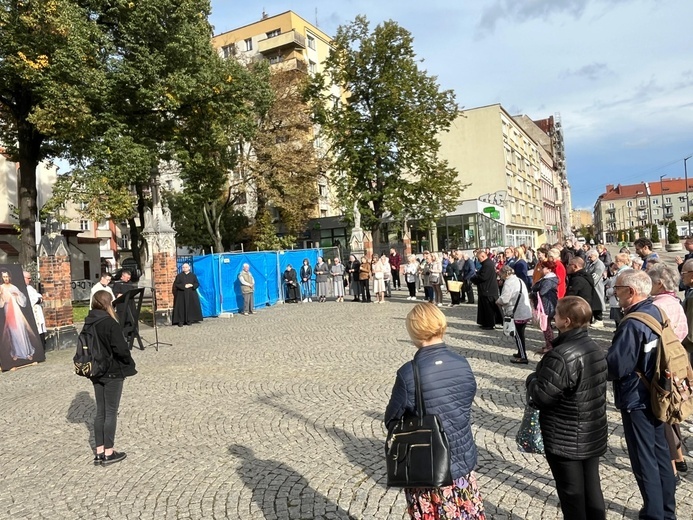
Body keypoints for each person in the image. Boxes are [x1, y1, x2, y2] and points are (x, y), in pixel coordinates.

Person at [385, 303, 485, 519]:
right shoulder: (462, 363)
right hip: (462, 457)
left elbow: (392, 420)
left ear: (415, 331)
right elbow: (466, 400)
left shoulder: (408, 373)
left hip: (427, 465)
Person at [526, 296, 608, 520]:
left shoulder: (562, 355)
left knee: (572, 496)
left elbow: (542, 397)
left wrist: (532, 379)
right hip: (591, 431)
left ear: (567, 321)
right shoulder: (595, 347)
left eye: (557, 315)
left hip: (566, 436)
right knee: (592, 490)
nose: (553, 317)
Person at [606, 269, 677, 518]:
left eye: (617, 290)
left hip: (637, 399)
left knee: (644, 460)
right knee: (661, 455)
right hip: (658, 392)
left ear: (631, 292)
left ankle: (654, 514)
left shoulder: (633, 323)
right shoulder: (655, 310)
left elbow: (616, 366)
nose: (614, 294)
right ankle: (667, 511)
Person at [647, 262, 690, 483]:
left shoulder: (659, 306)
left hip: (663, 365)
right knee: (671, 414)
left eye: (650, 282)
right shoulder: (674, 302)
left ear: (660, 284)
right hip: (675, 360)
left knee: (664, 414)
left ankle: (672, 469)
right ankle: (679, 458)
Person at [86, 290, 137, 465]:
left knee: (100, 411)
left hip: (95, 370)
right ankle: (109, 452)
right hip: (112, 371)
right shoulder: (110, 324)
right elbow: (121, 350)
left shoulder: (89, 322)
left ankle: (99, 451)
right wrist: (128, 362)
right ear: (109, 303)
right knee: (110, 412)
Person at [496, 265, 532, 364]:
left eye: (501, 274)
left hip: (517, 312)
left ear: (505, 274)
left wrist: (498, 301)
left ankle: (523, 356)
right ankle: (520, 352)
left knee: (518, 335)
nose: (501, 277)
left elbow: (505, 299)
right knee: (519, 334)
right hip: (523, 311)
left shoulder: (508, 283)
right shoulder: (518, 280)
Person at [0, 269, 36, 361]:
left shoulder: (14, 287)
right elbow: (1, 303)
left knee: (21, 330)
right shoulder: (1, 288)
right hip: (8, 313)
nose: (6, 279)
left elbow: (23, 300)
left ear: (9, 277)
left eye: (7, 276)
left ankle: (26, 352)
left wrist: (17, 295)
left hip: (17, 312)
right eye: (4, 277)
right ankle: (16, 352)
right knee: (13, 333)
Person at [531, 260, 559, 354]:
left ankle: (550, 345)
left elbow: (542, 291)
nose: (541, 269)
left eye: (543, 268)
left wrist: (533, 293)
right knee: (546, 326)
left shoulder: (549, 280)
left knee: (546, 326)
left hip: (547, 305)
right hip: (546, 304)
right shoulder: (546, 278)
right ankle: (549, 344)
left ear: (549, 269)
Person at [566, 258, 601, 329]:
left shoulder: (578, 279)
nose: (567, 267)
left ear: (575, 266)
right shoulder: (582, 276)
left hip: (579, 311)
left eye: (569, 265)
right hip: (584, 309)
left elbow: (571, 296)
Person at [471, 250, 501, 330]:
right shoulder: (486, 264)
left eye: (479, 258)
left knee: (489, 308)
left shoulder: (488, 264)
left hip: (488, 290)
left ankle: (490, 324)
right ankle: (485, 322)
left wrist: (474, 279)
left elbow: (483, 277)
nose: (478, 260)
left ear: (483, 256)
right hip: (485, 289)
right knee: (485, 308)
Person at [23, 271, 46, 347]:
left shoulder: (30, 288)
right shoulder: (23, 289)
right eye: (28, 278)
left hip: (37, 312)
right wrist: (39, 299)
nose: (30, 280)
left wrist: (39, 299)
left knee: (40, 330)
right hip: (31, 313)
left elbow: (39, 297)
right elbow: (34, 299)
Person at [585, 250, 606, 328]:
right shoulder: (589, 263)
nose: (589, 258)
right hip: (591, 286)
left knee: (598, 302)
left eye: (590, 257)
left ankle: (599, 319)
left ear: (595, 256)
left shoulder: (599, 265)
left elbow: (595, 277)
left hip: (597, 286)